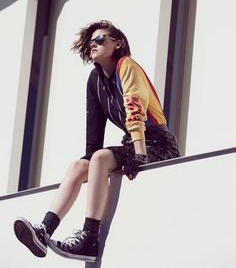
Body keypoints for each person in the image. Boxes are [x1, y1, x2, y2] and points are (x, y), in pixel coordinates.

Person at [13, 20, 180, 263]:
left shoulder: (127, 66)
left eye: (100, 39)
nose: (94, 43)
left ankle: (89, 238)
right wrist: (88, 158)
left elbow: (135, 112)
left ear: (118, 44)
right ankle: (44, 230)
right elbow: (94, 126)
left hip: (157, 143)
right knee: (80, 164)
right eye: (91, 41)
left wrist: (140, 155)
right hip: (132, 143)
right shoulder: (95, 79)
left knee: (101, 158)